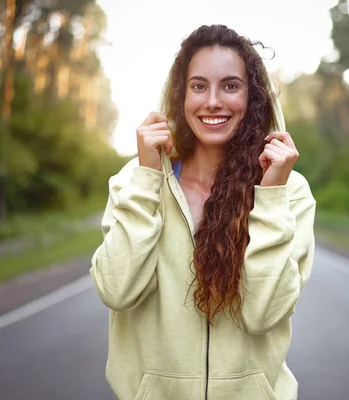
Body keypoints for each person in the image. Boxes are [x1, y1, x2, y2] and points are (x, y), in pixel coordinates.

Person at [90, 24, 316, 400]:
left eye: (230, 85)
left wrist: (271, 195)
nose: (213, 101)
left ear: (253, 97)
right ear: (180, 96)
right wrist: (148, 176)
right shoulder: (136, 180)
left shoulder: (289, 191)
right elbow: (116, 290)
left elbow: (263, 314)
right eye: (199, 86)